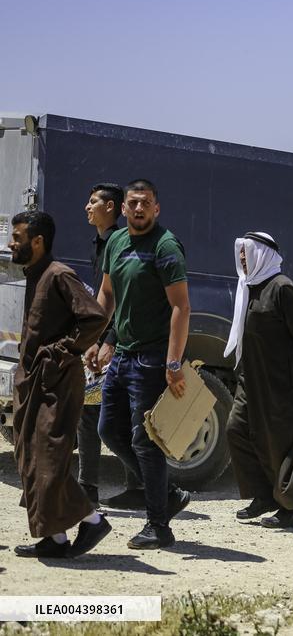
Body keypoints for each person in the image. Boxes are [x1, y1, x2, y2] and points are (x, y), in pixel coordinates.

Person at [90, 179, 192, 550]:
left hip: (151, 357)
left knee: (145, 441)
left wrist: (173, 361)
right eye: (133, 203)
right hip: (123, 353)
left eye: (145, 203)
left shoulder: (165, 246)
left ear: (156, 208)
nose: (138, 209)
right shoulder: (116, 242)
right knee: (108, 430)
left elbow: (181, 307)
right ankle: (168, 493)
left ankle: (158, 526)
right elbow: (107, 294)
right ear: (123, 208)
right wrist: (96, 339)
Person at [9, 211, 112, 558]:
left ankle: (92, 520)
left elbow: (94, 318)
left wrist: (62, 351)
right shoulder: (35, 274)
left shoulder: (59, 274)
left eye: (18, 237)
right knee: (29, 456)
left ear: (38, 241)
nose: (11, 243)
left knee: (49, 459)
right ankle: (54, 538)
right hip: (33, 382)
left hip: (57, 382)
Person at [224, 232, 293, 528]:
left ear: (262, 254)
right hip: (251, 380)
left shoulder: (282, 288)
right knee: (236, 430)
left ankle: (288, 510)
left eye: (247, 252)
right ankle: (263, 495)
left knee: (278, 444)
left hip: (282, 384)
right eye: (240, 253)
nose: (242, 258)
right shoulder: (248, 288)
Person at [78, 183, 145, 509]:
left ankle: (138, 486)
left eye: (93, 202)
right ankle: (95, 487)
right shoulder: (99, 245)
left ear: (111, 207)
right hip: (101, 340)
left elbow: (126, 300)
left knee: (104, 414)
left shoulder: (120, 244)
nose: (87, 207)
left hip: (120, 344)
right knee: (94, 412)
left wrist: (108, 341)